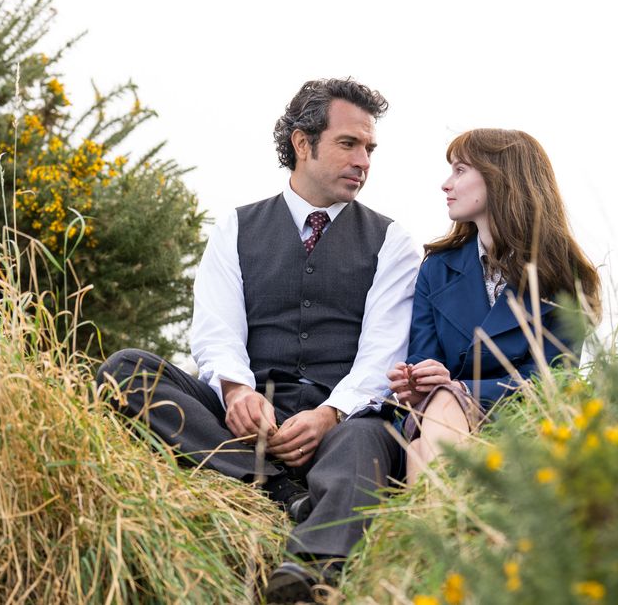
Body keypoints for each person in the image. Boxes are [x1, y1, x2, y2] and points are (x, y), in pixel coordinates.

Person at [95, 78, 420, 602]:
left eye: (369, 148)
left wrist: (329, 415)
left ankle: (305, 574)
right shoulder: (236, 228)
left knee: (370, 441)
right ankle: (277, 486)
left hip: (340, 419)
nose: (363, 160)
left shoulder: (393, 241)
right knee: (126, 369)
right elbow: (217, 331)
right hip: (247, 414)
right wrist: (237, 392)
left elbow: (383, 353)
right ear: (301, 142)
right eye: (348, 143)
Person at [388, 128, 601, 483]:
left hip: (518, 421)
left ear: (500, 179)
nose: (446, 184)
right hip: (436, 418)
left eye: (460, 170)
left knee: (423, 448)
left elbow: (553, 379)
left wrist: (464, 390)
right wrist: (416, 380)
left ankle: (433, 529)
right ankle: (454, 527)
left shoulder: (564, 275)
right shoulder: (437, 269)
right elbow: (422, 356)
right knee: (433, 423)